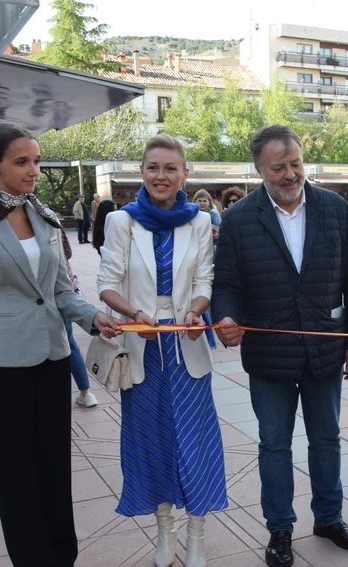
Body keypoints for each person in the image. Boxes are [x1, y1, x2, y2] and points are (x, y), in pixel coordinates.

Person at [0, 124, 119, 567]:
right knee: (16, 475)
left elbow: (59, 292)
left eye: (36, 160)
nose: (33, 169)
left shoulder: (45, 217)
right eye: (21, 162)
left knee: (54, 467)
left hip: (52, 358)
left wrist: (92, 317)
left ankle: (62, 556)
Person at [212, 125, 348, 567]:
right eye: (277, 167)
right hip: (269, 354)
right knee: (274, 445)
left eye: (295, 163)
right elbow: (226, 283)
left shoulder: (335, 209)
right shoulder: (240, 218)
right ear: (259, 169)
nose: (289, 174)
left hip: (324, 349)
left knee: (326, 439)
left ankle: (329, 518)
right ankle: (280, 528)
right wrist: (225, 317)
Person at [96, 134, 226, 567]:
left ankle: (198, 537)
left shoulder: (199, 221)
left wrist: (196, 310)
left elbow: (206, 280)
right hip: (144, 347)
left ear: (185, 174)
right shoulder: (122, 221)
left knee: (196, 441)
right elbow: (106, 284)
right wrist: (136, 314)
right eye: (153, 167)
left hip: (187, 345)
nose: (161, 175)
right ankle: (165, 535)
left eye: (171, 168)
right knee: (151, 442)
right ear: (141, 172)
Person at [57, 225, 98, 408]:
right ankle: (86, 392)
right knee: (69, 344)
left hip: (61, 292)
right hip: (66, 287)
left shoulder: (46, 218)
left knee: (67, 343)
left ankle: (85, 393)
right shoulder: (49, 218)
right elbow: (67, 251)